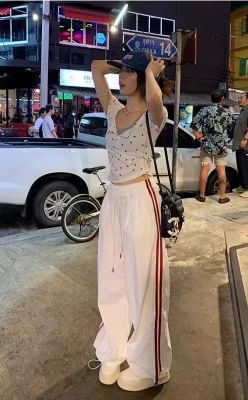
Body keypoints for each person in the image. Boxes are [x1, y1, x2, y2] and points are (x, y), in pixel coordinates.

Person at [90, 50, 174, 391]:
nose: (121, 78)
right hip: (113, 200)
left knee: (144, 284)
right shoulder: (114, 109)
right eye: (122, 72)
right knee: (111, 277)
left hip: (141, 198)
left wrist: (148, 70)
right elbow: (96, 68)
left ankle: (150, 367)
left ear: (143, 78)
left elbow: (155, 98)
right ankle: (114, 350)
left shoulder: (154, 116)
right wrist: (126, 63)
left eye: (128, 73)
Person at [191, 89, 233, 203]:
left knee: (205, 169)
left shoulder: (204, 110)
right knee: (221, 171)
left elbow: (194, 125)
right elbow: (230, 128)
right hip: (221, 146)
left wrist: (198, 137)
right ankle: (222, 197)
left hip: (207, 145)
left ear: (211, 98)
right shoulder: (227, 112)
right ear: (222, 99)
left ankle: (201, 196)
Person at [232, 91, 248, 197]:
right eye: (238, 98)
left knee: (247, 168)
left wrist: (245, 139)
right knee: (242, 167)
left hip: (247, 145)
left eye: (241, 97)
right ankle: (243, 186)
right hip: (240, 146)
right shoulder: (243, 110)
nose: (239, 99)